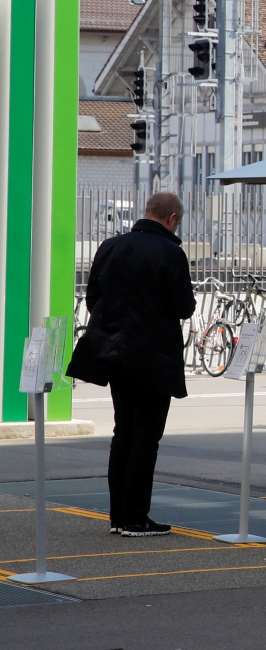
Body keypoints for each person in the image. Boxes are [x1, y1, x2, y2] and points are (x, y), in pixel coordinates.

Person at [67, 192, 196, 537]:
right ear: (171, 219)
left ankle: (118, 517)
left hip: (114, 354)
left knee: (123, 431)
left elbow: (93, 298)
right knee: (146, 437)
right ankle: (136, 517)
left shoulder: (110, 246)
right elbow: (184, 307)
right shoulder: (171, 253)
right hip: (153, 357)